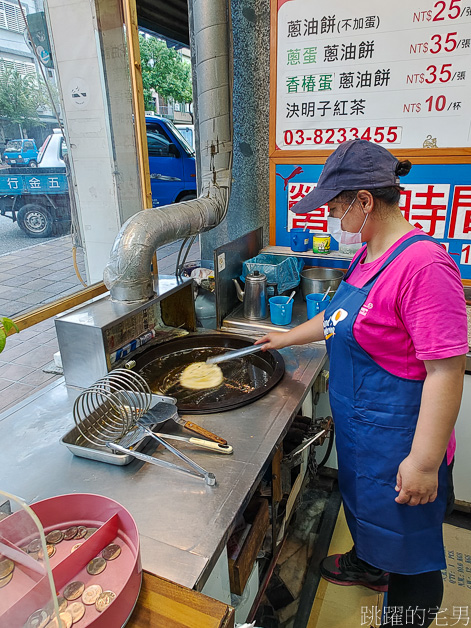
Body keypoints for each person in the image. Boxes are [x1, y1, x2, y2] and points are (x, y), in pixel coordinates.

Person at [256, 140, 467, 628]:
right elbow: (336, 318)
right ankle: (367, 563)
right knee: (368, 520)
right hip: (366, 439)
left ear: (364, 201)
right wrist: (284, 338)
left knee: (412, 558)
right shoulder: (370, 256)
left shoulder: (424, 266)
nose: (331, 218)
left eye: (334, 207)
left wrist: (423, 462)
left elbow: (446, 371)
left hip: (404, 446)